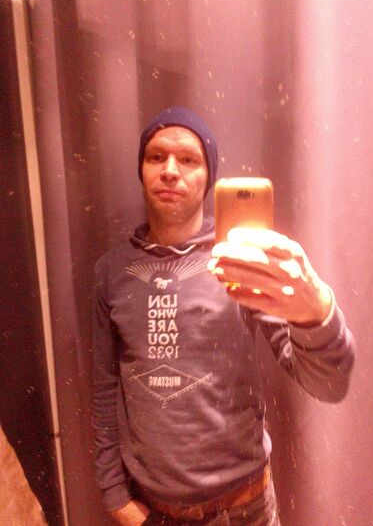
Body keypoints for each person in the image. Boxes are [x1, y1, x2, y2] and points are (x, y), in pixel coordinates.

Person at [92, 107, 355, 526]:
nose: (170, 171)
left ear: (209, 176)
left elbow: (329, 384)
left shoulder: (239, 261)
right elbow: (105, 388)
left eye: (189, 159)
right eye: (157, 157)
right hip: (151, 512)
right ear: (141, 169)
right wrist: (114, 496)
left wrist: (315, 314)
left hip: (245, 508)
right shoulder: (112, 271)